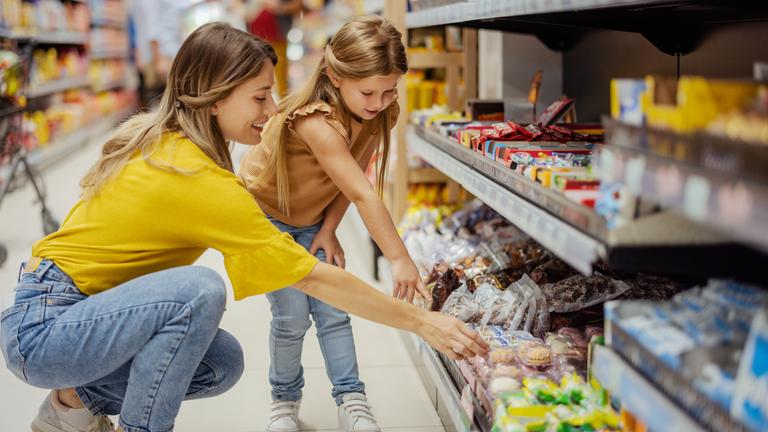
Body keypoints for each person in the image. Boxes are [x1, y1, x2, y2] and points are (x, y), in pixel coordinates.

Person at [0, 23, 487, 432]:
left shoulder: (176, 145)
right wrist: (424, 322)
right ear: (213, 99)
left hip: (73, 315)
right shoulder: (194, 175)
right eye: (259, 97)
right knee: (198, 290)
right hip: (45, 328)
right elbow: (312, 276)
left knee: (221, 364)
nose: (272, 110)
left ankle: (71, 405)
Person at [239, 15, 424, 432]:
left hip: (314, 219)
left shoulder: (377, 112)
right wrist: (398, 258)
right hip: (268, 221)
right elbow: (364, 192)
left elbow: (351, 177)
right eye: (368, 91)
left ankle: (352, 400)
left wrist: (329, 227)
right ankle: (284, 403)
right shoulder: (314, 121)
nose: (379, 101)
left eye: (390, 90)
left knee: (336, 312)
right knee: (290, 319)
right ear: (334, 77)